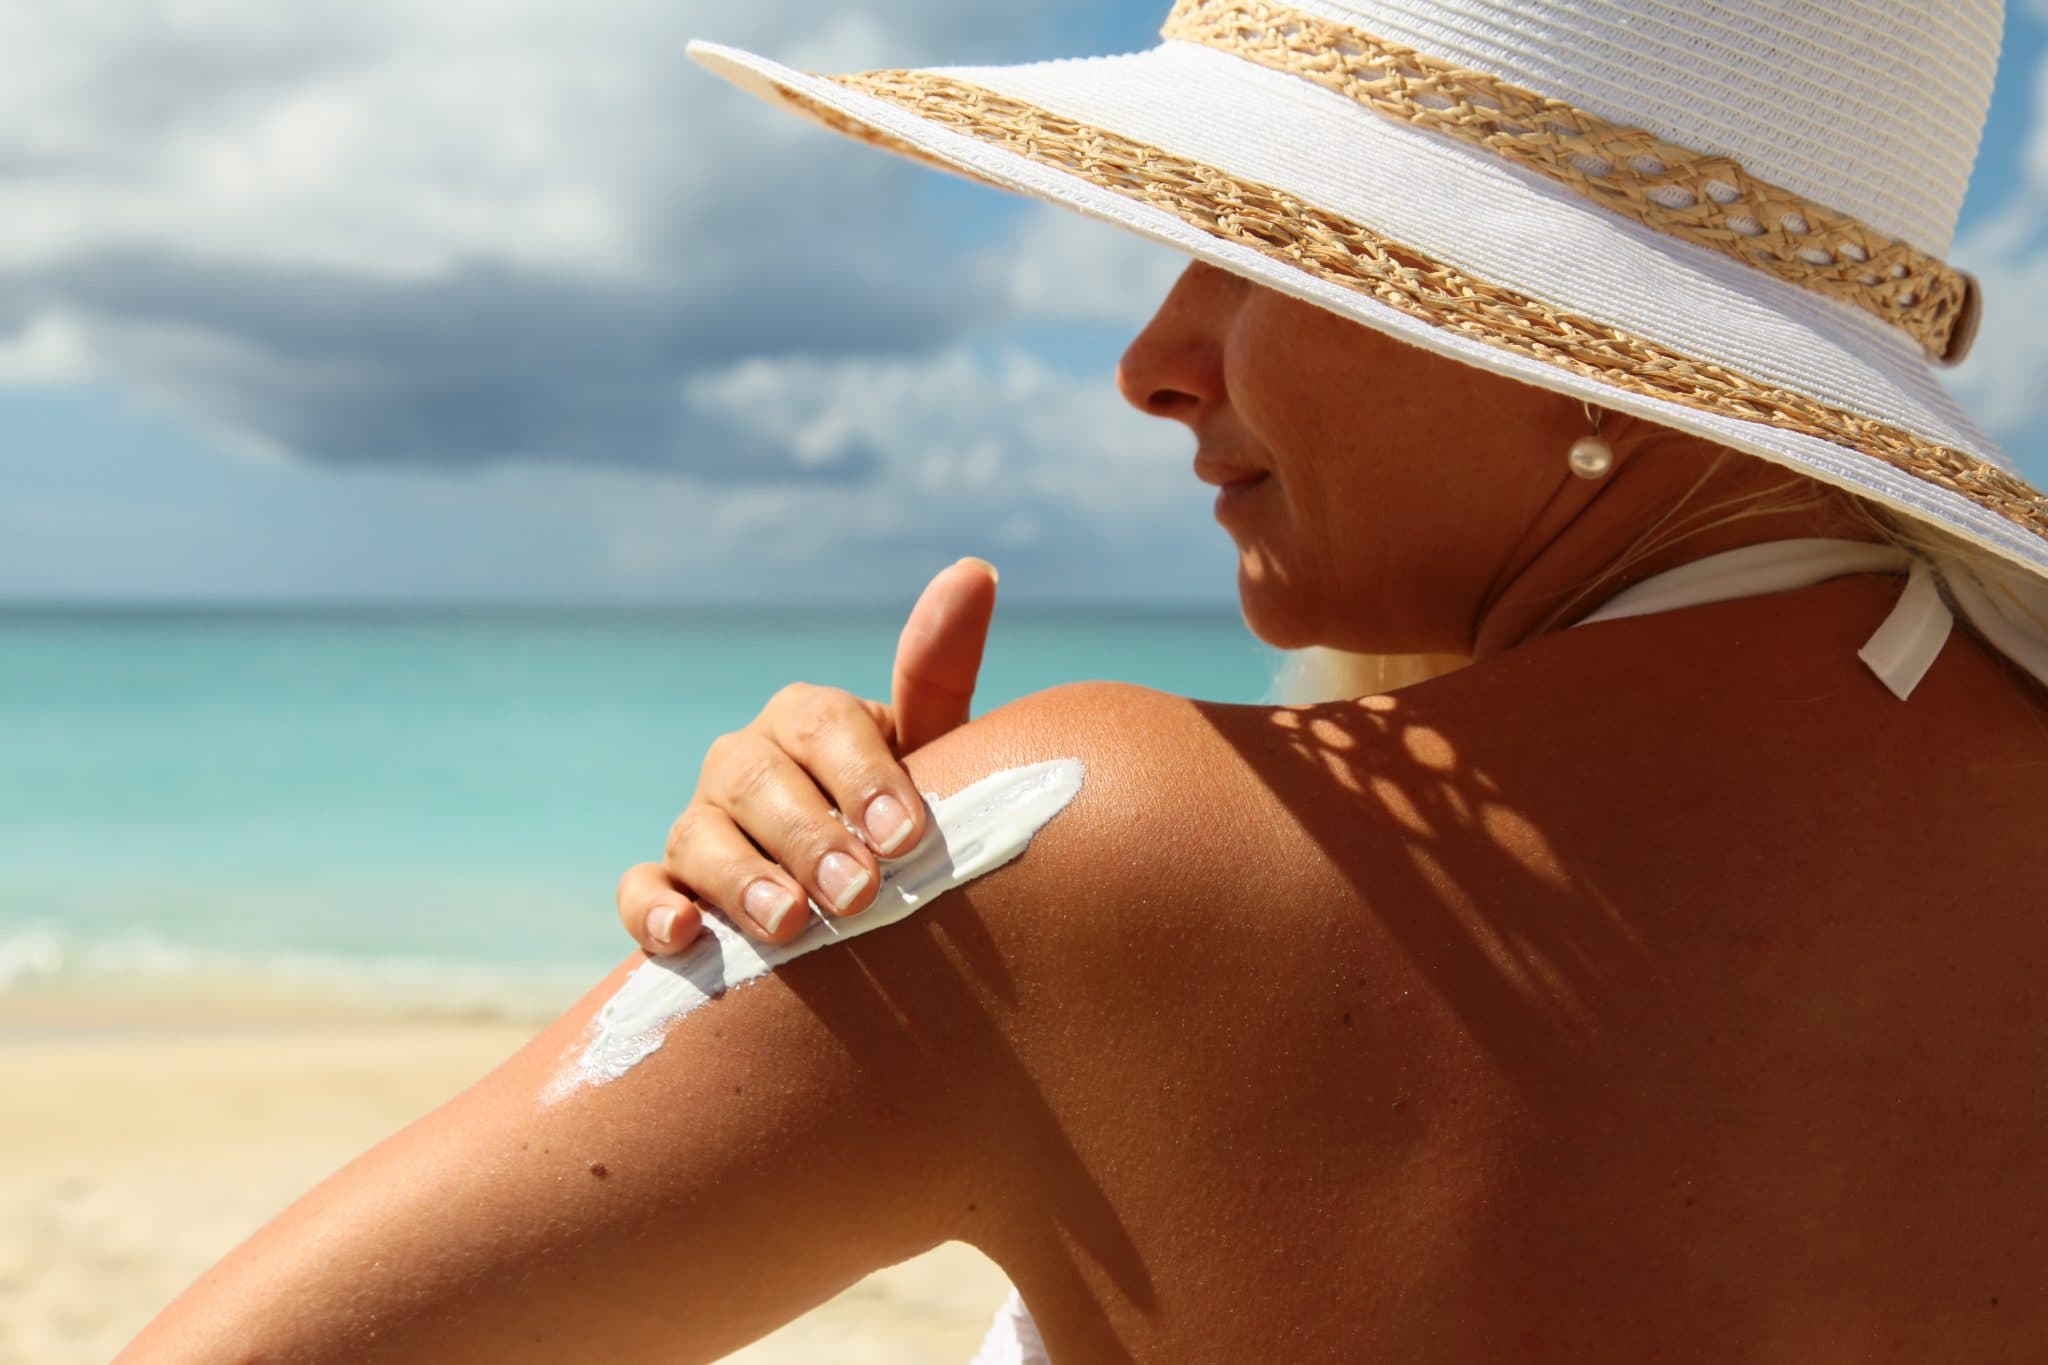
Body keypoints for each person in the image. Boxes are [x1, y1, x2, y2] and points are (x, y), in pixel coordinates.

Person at [123, 1, 2048, 1361]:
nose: (1152, 357)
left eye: (1260, 252)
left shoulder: (1096, 856)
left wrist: (885, 949)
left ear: (1577, 337)